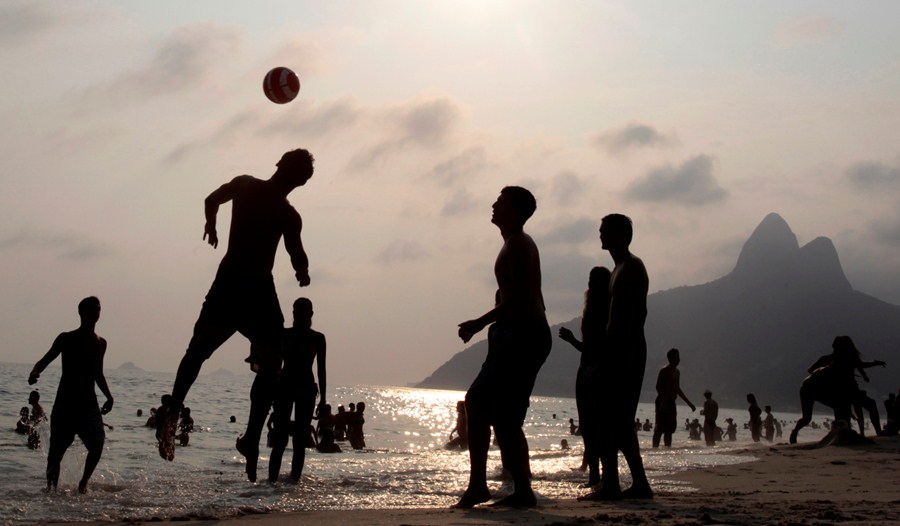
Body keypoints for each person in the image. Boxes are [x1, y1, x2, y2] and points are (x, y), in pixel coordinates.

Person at [155, 149, 315, 479]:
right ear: (292, 176)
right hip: (243, 287)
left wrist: (211, 224)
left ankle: (243, 434)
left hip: (245, 287)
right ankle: (186, 419)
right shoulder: (265, 199)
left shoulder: (265, 200)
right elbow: (295, 252)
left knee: (241, 356)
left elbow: (212, 199)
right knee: (218, 354)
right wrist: (302, 272)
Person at [454, 186, 552, 509]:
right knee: (502, 414)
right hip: (519, 333)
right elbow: (521, 296)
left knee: (479, 401)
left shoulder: (520, 244)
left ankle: (485, 486)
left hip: (525, 334)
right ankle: (516, 489)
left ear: (516, 211)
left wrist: (480, 323)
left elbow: (524, 298)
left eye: (501, 201)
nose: (494, 204)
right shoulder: (513, 244)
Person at [581, 214, 653, 501]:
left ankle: (614, 483)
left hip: (626, 350)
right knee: (615, 419)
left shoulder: (632, 268)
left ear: (621, 235)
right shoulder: (618, 270)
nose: (600, 234)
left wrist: (614, 358)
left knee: (611, 417)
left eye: (605, 230)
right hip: (620, 349)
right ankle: (633, 483)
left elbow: (631, 319)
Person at [28, 296, 114, 493]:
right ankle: (51, 491)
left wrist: (109, 396)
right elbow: (45, 360)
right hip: (65, 403)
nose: (96, 313)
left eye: (98, 309)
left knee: (98, 441)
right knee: (55, 454)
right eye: (92, 309)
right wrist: (35, 372)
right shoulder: (66, 338)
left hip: (89, 405)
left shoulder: (101, 343)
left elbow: (98, 374)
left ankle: (83, 484)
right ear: (81, 312)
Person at [558, 266, 611, 488]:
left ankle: (600, 475)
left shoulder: (604, 311)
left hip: (595, 371)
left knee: (594, 425)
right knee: (588, 425)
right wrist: (573, 341)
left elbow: (598, 347)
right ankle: (596, 474)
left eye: (595, 280)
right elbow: (589, 348)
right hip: (587, 368)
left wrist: (572, 341)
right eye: (589, 279)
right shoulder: (592, 309)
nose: (590, 283)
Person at [267, 297, 326, 483]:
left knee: (290, 440)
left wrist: (324, 399)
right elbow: (321, 371)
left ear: (309, 314)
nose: (299, 315)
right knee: (290, 440)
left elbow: (321, 370)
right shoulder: (286, 335)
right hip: (289, 387)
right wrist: (323, 399)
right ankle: (283, 481)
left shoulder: (315, 338)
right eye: (297, 311)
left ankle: (277, 482)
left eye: (301, 311)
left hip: (299, 388)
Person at [789, 336, 886, 443]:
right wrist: (821, 369)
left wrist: (872, 366)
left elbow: (860, 365)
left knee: (862, 406)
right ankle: (796, 432)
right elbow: (811, 370)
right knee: (809, 417)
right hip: (811, 389)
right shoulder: (831, 360)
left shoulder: (845, 359)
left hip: (839, 389)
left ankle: (876, 433)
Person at [652, 348, 696, 448]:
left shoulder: (677, 372)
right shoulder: (664, 371)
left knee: (670, 429)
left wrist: (689, 403)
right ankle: (654, 449)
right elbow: (658, 386)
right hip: (662, 402)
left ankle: (667, 449)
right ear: (671, 359)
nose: (679, 360)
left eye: (678, 357)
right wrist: (663, 401)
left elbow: (677, 389)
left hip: (672, 402)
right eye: (676, 357)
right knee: (659, 428)